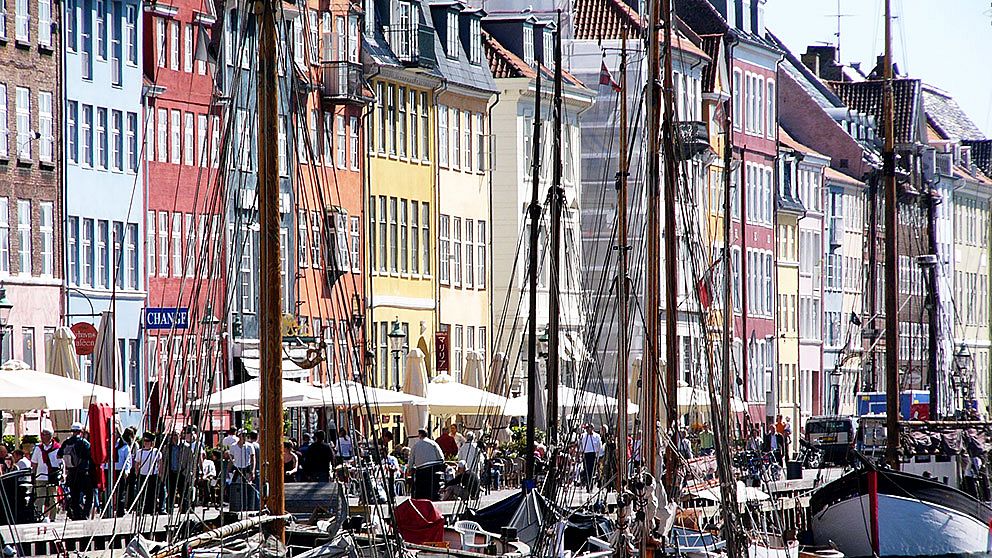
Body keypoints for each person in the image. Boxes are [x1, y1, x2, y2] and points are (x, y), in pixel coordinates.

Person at [59, 422, 93, 520]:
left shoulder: (66, 442)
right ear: (81, 431)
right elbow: (90, 455)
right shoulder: (84, 442)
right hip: (83, 472)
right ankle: (85, 514)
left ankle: (77, 515)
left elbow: (59, 455)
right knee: (89, 495)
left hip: (71, 473)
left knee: (74, 496)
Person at [31, 428, 61, 522]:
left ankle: (53, 518)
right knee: (40, 497)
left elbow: (61, 462)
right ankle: (38, 516)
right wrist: (33, 476)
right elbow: (34, 463)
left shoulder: (57, 448)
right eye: (42, 434)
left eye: (45, 434)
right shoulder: (38, 448)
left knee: (53, 498)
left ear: (50, 436)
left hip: (53, 476)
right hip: (41, 476)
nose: (42, 436)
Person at [132, 432, 164, 514]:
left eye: (148, 441)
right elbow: (137, 464)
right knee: (142, 493)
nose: (146, 443)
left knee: (153, 493)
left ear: (152, 442)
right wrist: (137, 473)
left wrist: (160, 474)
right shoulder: (139, 452)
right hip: (143, 475)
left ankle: (152, 509)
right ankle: (143, 508)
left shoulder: (156, 452)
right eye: (145, 441)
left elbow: (160, 463)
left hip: (153, 475)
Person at [409, 429, 445, 500]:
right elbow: (441, 457)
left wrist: (410, 468)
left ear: (420, 435)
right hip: (433, 468)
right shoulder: (433, 443)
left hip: (421, 469)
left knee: (422, 487)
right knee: (432, 485)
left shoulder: (416, 445)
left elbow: (411, 459)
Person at [110, 427, 134, 516]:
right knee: (110, 492)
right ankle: (109, 509)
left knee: (121, 492)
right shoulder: (109, 445)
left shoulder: (124, 446)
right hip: (110, 471)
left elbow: (128, 459)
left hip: (120, 471)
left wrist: (127, 470)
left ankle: (120, 511)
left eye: (115, 433)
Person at [578, 424, 603, 491]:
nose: (588, 429)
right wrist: (580, 453)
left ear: (592, 428)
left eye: (589, 428)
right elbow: (580, 445)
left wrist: (599, 456)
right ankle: (587, 483)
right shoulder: (583, 436)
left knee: (592, 470)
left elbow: (599, 446)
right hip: (586, 454)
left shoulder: (597, 436)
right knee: (586, 470)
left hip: (593, 454)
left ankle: (590, 485)